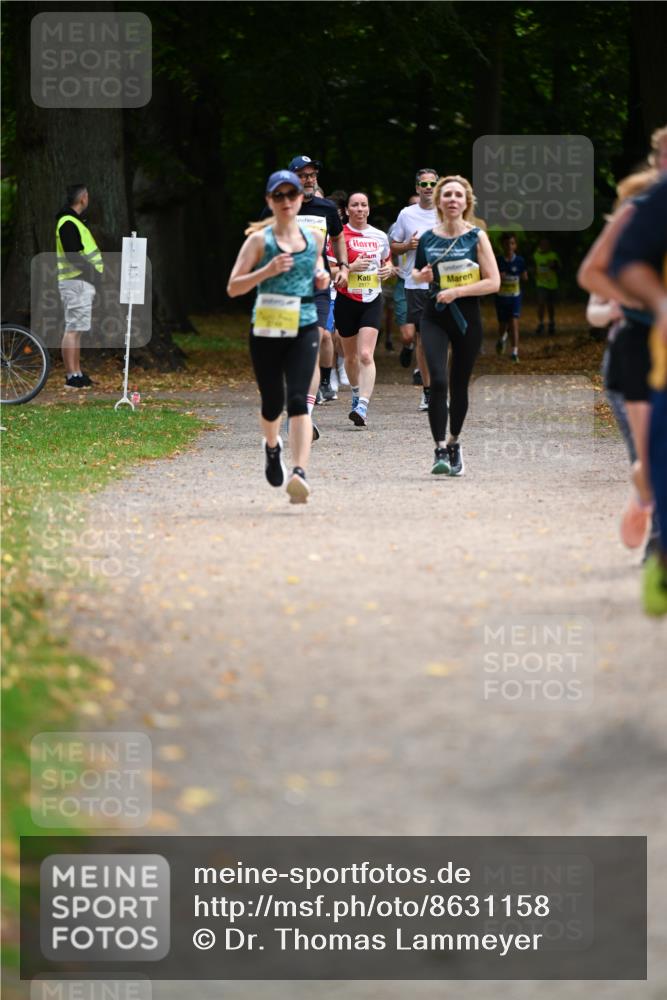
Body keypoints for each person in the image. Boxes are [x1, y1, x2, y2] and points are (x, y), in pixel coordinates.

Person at [227, 170, 329, 504]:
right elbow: (233, 287)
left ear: (301, 198)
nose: (286, 201)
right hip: (268, 327)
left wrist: (321, 277)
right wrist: (266, 271)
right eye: (279, 196)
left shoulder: (313, 239)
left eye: (292, 195)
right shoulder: (260, 241)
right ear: (270, 201)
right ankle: (272, 447)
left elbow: (316, 270)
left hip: (303, 325)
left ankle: (299, 473)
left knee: (298, 399)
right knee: (272, 402)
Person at [578, 167, 659, 554]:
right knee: (646, 459)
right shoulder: (616, 263)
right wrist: (619, 306)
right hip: (629, 360)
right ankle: (649, 519)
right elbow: (593, 312)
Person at [412, 175, 500, 476]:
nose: (452, 199)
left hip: (467, 317)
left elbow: (493, 281)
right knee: (437, 380)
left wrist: (458, 292)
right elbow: (419, 273)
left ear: (466, 202)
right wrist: (421, 277)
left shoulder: (477, 237)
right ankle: (438, 448)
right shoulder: (427, 238)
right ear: (438, 201)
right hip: (434, 314)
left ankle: (454, 442)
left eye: (457, 195)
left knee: (459, 383)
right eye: (446, 194)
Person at [612, 173, 667, 615]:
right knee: (652, 462)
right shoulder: (651, 207)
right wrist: (654, 305)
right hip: (648, 359)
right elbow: (615, 264)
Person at [286, 156, 349, 408]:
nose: (308, 179)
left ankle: (309, 400)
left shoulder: (325, 208)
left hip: (320, 282)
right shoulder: (281, 205)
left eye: (312, 175)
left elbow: (338, 237)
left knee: (320, 334)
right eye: (303, 175)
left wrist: (343, 266)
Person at [333, 192, 393, 427]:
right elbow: (330, 267)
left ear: (369, 209)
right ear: (347, 210)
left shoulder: (380, 236)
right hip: (346, 299)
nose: (359, 209)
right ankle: (356, 392)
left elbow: (387, 260)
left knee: (366, 354)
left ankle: (362, 406)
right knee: (350, 356)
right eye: (354, 205)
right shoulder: (339, 235)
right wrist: (350, 267)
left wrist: (388, 269)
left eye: (363, 205)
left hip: (371, 299)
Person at [390, 169, 439, 410]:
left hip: (443, 282)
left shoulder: (446, 212)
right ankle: (428, 391)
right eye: (424, 184)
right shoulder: (406, 214)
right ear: (417, 187)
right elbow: (393, 246)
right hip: (415, 283)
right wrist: (407, 245)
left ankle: (440, 388)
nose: (428, 187)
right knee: (422, 337)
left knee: (443, 338)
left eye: (432, 183)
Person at [55, 183, 103, 388]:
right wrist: (92, 274)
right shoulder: (68, 222)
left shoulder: (73, 221)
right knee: (73, 329)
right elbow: (73, 255)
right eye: (88, 196)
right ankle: (71, 376)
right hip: (76, 282)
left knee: (77, 329)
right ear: (83, 198)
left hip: (79, 282)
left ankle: (77, 373)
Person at [494, 232, 528, 362]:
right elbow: (491, 277)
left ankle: (514, 352)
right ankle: (502, 339)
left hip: (515, 296)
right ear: (502, 245)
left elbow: (525, 276)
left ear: (516, 246)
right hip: (501, 297)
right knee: (503, 324)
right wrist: (499, 277)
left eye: (512, 243)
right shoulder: (498, 260)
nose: (509, 246)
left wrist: (522, 275)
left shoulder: (520, 261)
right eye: (507, 243)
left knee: (514, 322)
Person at [533, 237, 560, 334]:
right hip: (541, 284)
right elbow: (534, 268)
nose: (544, 246)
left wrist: (553, 265)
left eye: (546, 244)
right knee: (541, 303)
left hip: (552, 284)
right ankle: (540, 323)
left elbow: (558, 268)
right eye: (542, 244)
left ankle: (551, 322)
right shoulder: (536, 255)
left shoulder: (553, 255)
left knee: (550, 305)